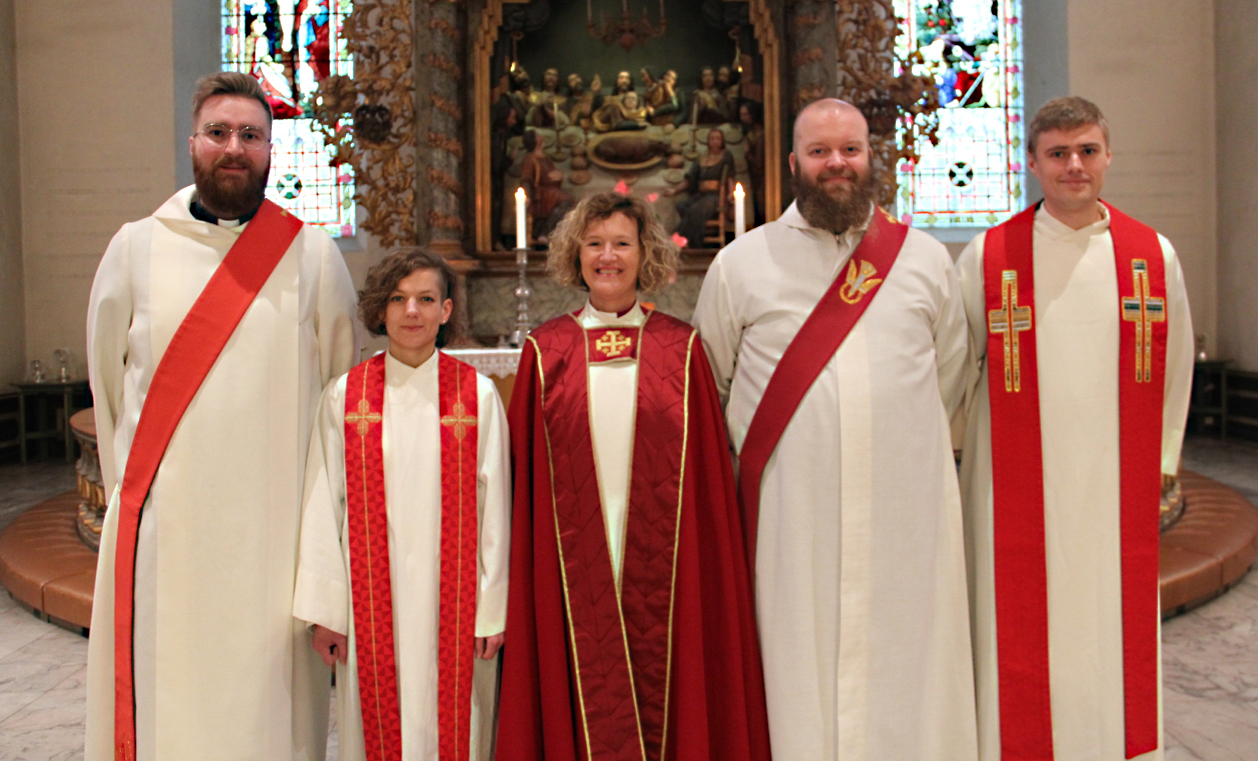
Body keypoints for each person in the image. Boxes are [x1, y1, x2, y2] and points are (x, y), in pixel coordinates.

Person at [84, 71, 359, 761]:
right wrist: (135, 508)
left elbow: (339, 402)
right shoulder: (135, 247)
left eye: (251, 135)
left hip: (276, 539)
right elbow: (108, 387)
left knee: (269, 714)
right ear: (193, 143)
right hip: (167, 537)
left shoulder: (313, 257)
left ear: (272, 151)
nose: (233, 147)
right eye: (219, 133)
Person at [691, 98, 978, 760]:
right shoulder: (742, 264)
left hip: (904, 511)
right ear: (794, 164)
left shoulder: (926, 261)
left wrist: (883, 438)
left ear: (871, 157)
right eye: (819, 152)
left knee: (907, 650)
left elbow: (950, 373)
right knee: (791, 657)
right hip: (790, 518)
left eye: (849, 148)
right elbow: (713, 385)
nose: (836, 163)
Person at [956, 96, 1193, 761]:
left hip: (1114, 480)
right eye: (1058, 153)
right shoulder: (988, 255)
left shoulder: (1152, 255)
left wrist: (1163, 462)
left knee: (1105, 628)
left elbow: (1175, 363)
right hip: (1013, 484)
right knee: (1020, 632)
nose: (1074, 166)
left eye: (1087, 150)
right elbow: (953, 360)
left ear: (1108, 156)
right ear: (1032, 163)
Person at [497, 192, 771, 761]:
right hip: (574, 562)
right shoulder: (546, 351)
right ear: (576, 254)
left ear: (644, 254)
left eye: (621, 243)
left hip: (664, 560)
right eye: (594, 244)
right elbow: (524, 484)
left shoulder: (681, 347)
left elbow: (706, 482)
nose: (608, 257)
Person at [293, 249, 511, 761]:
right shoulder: (345, 398)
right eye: (398, 299)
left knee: (456, 729)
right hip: (368, 601)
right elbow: (323, 506)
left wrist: (492, 608)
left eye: (425, 299)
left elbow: (496, 508)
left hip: (457, 606)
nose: (411, 311)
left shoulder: (476, 397)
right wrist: (327, 612)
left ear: (446, 311)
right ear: (381, 310)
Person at [664, 126, 735, 247]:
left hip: (715, 196)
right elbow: (689, 179)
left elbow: (730, 177)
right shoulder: (701, 158)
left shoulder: (726, 156)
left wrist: (731, 194)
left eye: (718, 138)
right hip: (701, 195)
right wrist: (674, 190)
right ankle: (693, 235)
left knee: (695, 209)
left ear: (722, 141)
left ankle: (679, 237)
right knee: (682, 205)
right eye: (712, 138)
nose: (715, 141)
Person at [520, 129, 574, 245]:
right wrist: (527, 196)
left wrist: (559, 177)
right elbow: (526, 178)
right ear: (534, 140)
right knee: (566, 201)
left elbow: (552, 173)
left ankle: (548, 233)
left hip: (552, 191)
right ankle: (545, 233)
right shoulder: (530, 159)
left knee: (567, 203)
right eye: (538, 135)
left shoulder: (545, 158)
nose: (541, 136)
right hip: (543, 193)